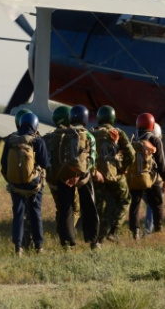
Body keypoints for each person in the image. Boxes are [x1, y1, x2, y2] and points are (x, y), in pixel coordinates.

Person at [0, 112, 48, 256]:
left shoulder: (10, 140)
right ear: (35, 125)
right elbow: (45, 163)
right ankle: (39, 247)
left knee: (18, 214)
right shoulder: (38, 141)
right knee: (35, 213)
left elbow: (4, 164)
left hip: (15, 185)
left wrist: (11, 180)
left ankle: (18, 248)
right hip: (33, 185)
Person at [54, 104, 101, 250]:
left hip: (63, 176)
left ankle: (67, 243)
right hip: (83, 177)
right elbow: (92, 158)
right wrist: (81, 175)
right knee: (89, 207)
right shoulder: (89, 135)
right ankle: (93, 240)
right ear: (85, 119)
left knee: (65, 209)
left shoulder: (62, 134)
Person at [128, 113, 165, 239]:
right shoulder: (155, 139)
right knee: (156, 203)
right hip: (151, 178)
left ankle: (135, 232)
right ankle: (158, 229)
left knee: (135, 205)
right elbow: (161, 161)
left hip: (135, 177)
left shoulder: (134, 138)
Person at [92, 105, 135, 242]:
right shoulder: (118, 132)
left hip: (96, 176)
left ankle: (97, 240)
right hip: (114, 176)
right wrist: (123, 167)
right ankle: (114, 231)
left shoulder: (91, 133)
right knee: (125, 199)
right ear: (113, 118)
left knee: (99, 207)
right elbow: (131, 155)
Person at [43, 105, 81, 231]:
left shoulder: (47, 137)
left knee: (60, 207)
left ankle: (60, 230)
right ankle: (67, 231)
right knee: (75, 209)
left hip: (52, 179)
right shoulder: (73, 136)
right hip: (68, 178)